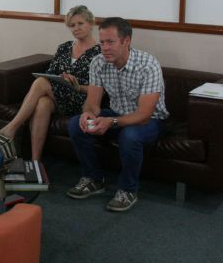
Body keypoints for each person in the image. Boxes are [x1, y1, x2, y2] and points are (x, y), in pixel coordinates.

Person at [66, 17, 169, 212]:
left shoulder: (148, 65)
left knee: (130, 136)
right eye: (102, 42)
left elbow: (144, 114)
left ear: (126, 41)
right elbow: (93, 103)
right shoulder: (98, 62)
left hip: (150, 120)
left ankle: (128, 190)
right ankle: (93, 178)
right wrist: (88, 114)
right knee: (75, 124)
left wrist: (111, 122)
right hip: (116, 113)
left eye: (110, 42)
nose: (104, 48)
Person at [0, 5, 100, 161]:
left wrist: (77, 86)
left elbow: (100, 89)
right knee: (43, 103)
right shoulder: (64, 47)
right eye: (72, 25)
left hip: (79, 99)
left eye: (80, 23)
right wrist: (59, 78)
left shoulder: (99, 53)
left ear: (91, 23)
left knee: (41, 82)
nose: (76, 28)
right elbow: (51, 73)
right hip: (58, 95)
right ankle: (36, 161)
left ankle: (11, 129)